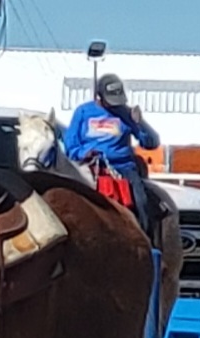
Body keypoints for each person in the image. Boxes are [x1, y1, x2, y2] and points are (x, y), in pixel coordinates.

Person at [64, 73, 159, 232]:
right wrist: (83, 153)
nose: (114, 106)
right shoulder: (83, 112)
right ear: (99, 97)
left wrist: (141, 123)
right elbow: (70, 145)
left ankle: (145, 239)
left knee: (141, 201)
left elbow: (151, 143)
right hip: (90, 167)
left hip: (123, 167)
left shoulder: (125, 114)